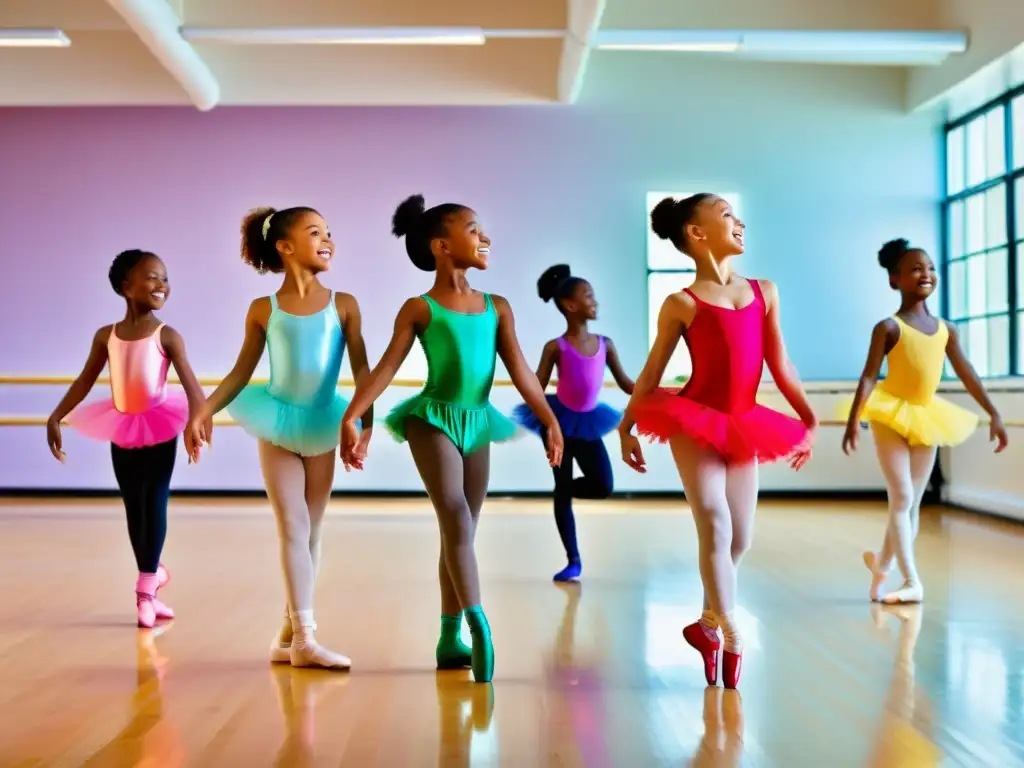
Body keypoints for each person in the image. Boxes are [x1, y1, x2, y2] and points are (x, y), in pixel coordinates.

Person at [340, 194, 564, 683]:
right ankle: (479, 624)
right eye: (473, 228)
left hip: (477, 419)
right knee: (457, 518)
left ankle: (447, 639)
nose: (485, 237)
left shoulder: (497, 307)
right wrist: (353, 415)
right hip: (433, 419)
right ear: (442, 245)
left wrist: (548, 417)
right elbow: (385, 367)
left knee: (460, 531)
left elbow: (522, 370)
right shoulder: (420, 308)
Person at [618, 193, 817, 689]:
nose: (740, 221)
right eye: (727, 214)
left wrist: (808, 418)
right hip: (695, 421)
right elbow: (651, 372)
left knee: (740, 538)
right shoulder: (681, 303)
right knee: (714, 520)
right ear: (697, 232)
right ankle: (730, 629)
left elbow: (781, 363)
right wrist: (626, 426)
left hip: (744, 422)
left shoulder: (763, 291)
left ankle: (705, 625)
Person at [188, 206, 373, 670]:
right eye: (316, 232)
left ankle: (289, 630)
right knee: (292, 525)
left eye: (329, 232)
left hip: (324, 423)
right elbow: (240, 372)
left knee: (311, 530)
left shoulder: (344, 304)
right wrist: (204, 410)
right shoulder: (263, 310)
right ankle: (306, 640)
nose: (328, 239)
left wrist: (364, 425)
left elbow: (364, 370)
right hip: (277, 424)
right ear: (286, 246)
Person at [842, 238, 1007, 604]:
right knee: (901, 496)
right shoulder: (888, 327)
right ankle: (912, 581)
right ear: (895, 280)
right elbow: (869, 376)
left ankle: (881, 564)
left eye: (930, 267)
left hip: (927, 416)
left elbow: (967, 373)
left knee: (909, 504)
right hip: (889, 413)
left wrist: (993, 412)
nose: (926, 274)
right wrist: (855, 418)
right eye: (915, 269)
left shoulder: (948, 329)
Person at [47, 249, 205, 628]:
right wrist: (56, 415)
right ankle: (150, 576)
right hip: (122, 426)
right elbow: (86, 380)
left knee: (156, 499)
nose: (161, 284)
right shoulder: (107, 336)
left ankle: (146, 589)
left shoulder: (167, 336)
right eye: (152, 277)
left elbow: (192, 386)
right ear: (125, 287)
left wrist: (197, 422)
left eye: (164, 277)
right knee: (133, 504)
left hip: (159, 424)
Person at [512, 264, 634, 582]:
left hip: (590, 422)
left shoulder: (605, 344)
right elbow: (536, 388)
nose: (595, 302)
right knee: (562, 492)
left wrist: (661, 390)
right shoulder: (556, 347)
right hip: (558, 423)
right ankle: (573, 560)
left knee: (602, 486)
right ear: (570, 305)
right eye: (589, 296)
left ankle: (562, 490)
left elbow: (626, 383)